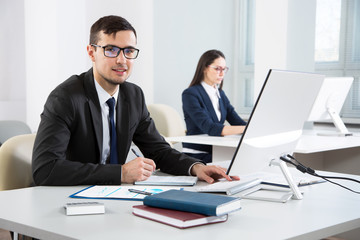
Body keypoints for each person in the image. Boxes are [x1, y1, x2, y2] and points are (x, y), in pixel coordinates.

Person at [32, 15, 238, 186]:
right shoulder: (66, 98)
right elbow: (45, 168)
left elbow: (158, 150)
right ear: (91, 52)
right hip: (66, 199)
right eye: (111, 50)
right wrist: (119, 173)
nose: (122, 60)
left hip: (114, 198)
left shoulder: (133, 96)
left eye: (129, 51)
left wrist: (197, 167)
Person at [182, 50, 247, 163]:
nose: (222, 73)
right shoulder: (190, 94)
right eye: (217, 69)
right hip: (197, 154)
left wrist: (253, 128)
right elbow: (210, 128)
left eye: (224, 69)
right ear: (204, 68)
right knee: (239, 163)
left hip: (217, 150)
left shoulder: (220, 94)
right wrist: (246, 129)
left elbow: (238, 122)